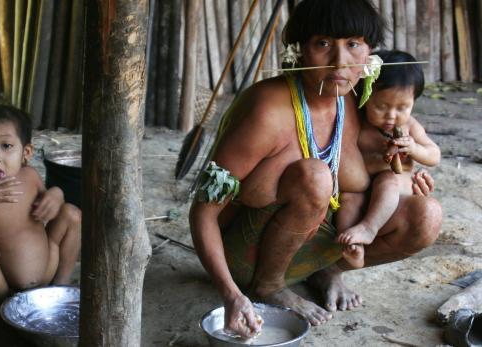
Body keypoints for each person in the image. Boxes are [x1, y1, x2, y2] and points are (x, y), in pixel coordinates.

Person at [189, 0, 442, 337]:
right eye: (323, 44)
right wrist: (230, 294)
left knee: (427, 215)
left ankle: (326, 272)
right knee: (315, 176)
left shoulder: (356, 101)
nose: (340, 61)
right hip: (243, 259)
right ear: (301, 50)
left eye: (352, 44)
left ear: (369, 54)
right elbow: (203, 212)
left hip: (311, 246)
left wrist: (410, 175)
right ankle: (267, 286)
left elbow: (373, 174)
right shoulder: (268, 111)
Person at [0, 105, 81, 334]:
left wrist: (56, 195)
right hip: (2, 286)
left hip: (47, 267)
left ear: (26, 153)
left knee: (71, 213)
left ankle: (61, 286)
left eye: (6, 146)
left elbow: (52, 207)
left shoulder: (30, 177)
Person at [336, 50, 441, 269]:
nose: (391, 116)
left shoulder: (410, 126)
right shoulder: (359, 125)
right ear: (365, 97)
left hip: (396, 188)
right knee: (349, 199)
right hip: (361, 191)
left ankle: (369, 228)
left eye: (402, 107)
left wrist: (413, 148)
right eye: (381, 106)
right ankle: (351, 248)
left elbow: (434, 155)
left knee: (388, 181)